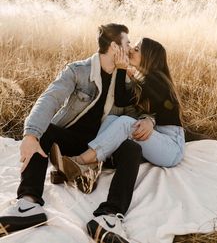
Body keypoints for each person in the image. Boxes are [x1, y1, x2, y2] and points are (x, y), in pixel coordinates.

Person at [0, 23, 142, 243]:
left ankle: (109, 217)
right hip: (70, 140)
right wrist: (31, 134)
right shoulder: (78, 70)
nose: (130, 47)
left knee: (132, 149)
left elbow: (134, 113)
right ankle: (28, 203)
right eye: (127, 43)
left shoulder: (125, 80)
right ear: (115, 46)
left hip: (100, 147)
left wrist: (149, 121)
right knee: (43, 131)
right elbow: (50, 98)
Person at [68, 38, 186, 174]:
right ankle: (93, 164)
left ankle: (81, 160)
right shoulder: (148, 80)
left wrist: (122, 69)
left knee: (125, 123)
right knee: (111, 119)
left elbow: (121, 99)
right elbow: (124, 99)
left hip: (171, 148)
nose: (130, 50)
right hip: (161, 139)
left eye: (136, 49)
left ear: (148, 56)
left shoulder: (155, 81)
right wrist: (124, 71)